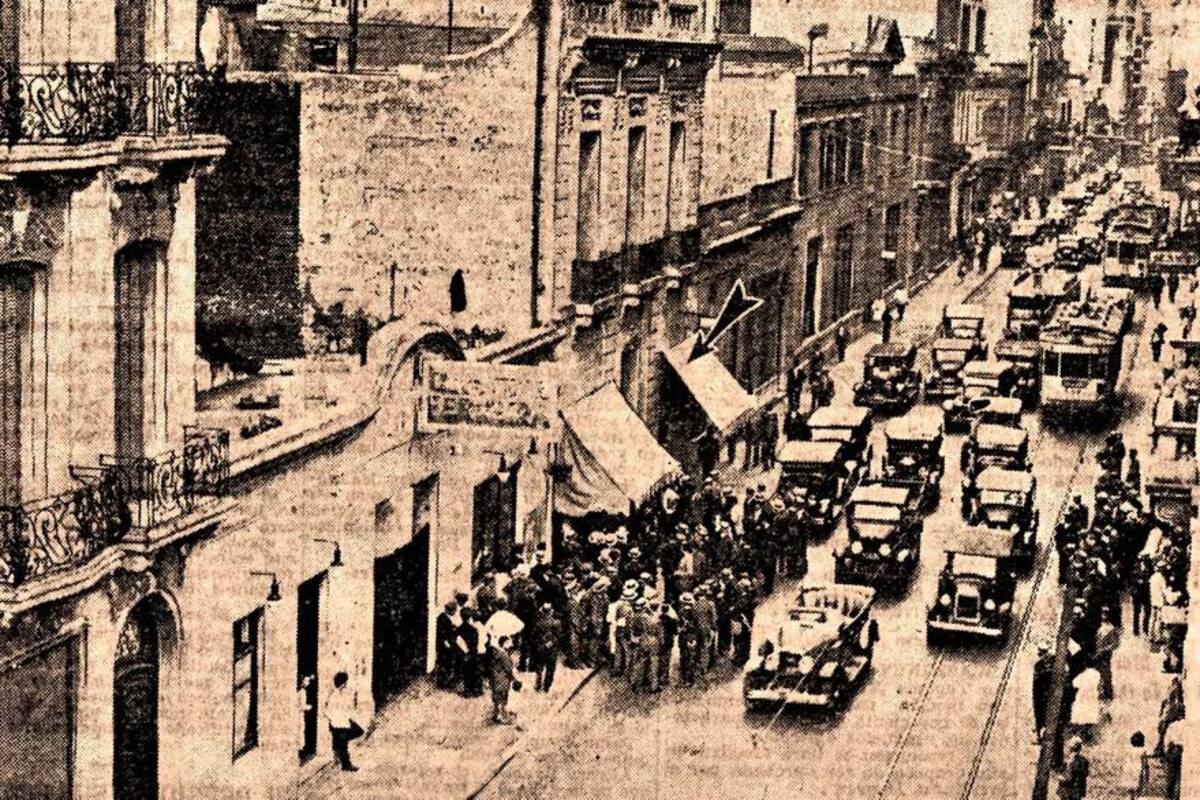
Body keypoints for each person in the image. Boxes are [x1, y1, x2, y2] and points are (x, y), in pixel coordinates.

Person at [325, 671, 362, 772]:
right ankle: (346, 765)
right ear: (341, 683)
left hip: (344, 721)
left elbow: (347, 707)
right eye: (345, 683)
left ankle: (339, 751)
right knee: (343, 746)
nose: (346, 685)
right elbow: (328, 711)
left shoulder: (342, 694)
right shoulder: (334, 696)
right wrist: (335, 720)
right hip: (338, 724)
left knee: (358, 731)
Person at [487, 636, 522, 725]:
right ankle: (500, 717)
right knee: (502, 698)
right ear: (505, 643)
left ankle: (497, 715)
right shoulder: (503, 655)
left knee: (497, 698)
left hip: (495, 679)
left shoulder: (496, 653)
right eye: (509, 642)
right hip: (502, 679)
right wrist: (517, 678)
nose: (511, 644)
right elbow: (509, 668)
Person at [531, 601, 562, 693]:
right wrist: (551, 643)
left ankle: (538, 684)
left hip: (540, 648)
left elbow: (533, 636)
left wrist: (540, 644)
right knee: (550, 668)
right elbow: (559, 637)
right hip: (552, 649)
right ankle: (546, 687)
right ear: (551, 611)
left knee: (539, 667)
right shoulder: (556, 623)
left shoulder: (538, 623)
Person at [434, 601, 461, 690]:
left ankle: (445, 682)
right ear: (450, 610)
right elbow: (441, 633)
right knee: (444, 663)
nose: (454, 613)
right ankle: (442, 683)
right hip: (445, 645)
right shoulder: (443, 619)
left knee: (446, 663)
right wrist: (446, 643)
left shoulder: (443, 617)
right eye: (454, 611)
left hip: (447, 644)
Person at [1033, 642, 1055, 742]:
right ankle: (1040, 734)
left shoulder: (1041, 665)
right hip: (1042, 694)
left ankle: (1042, 735)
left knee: (1044, 714)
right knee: (1041, 715)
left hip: (1046, 694)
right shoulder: (1039, 665)